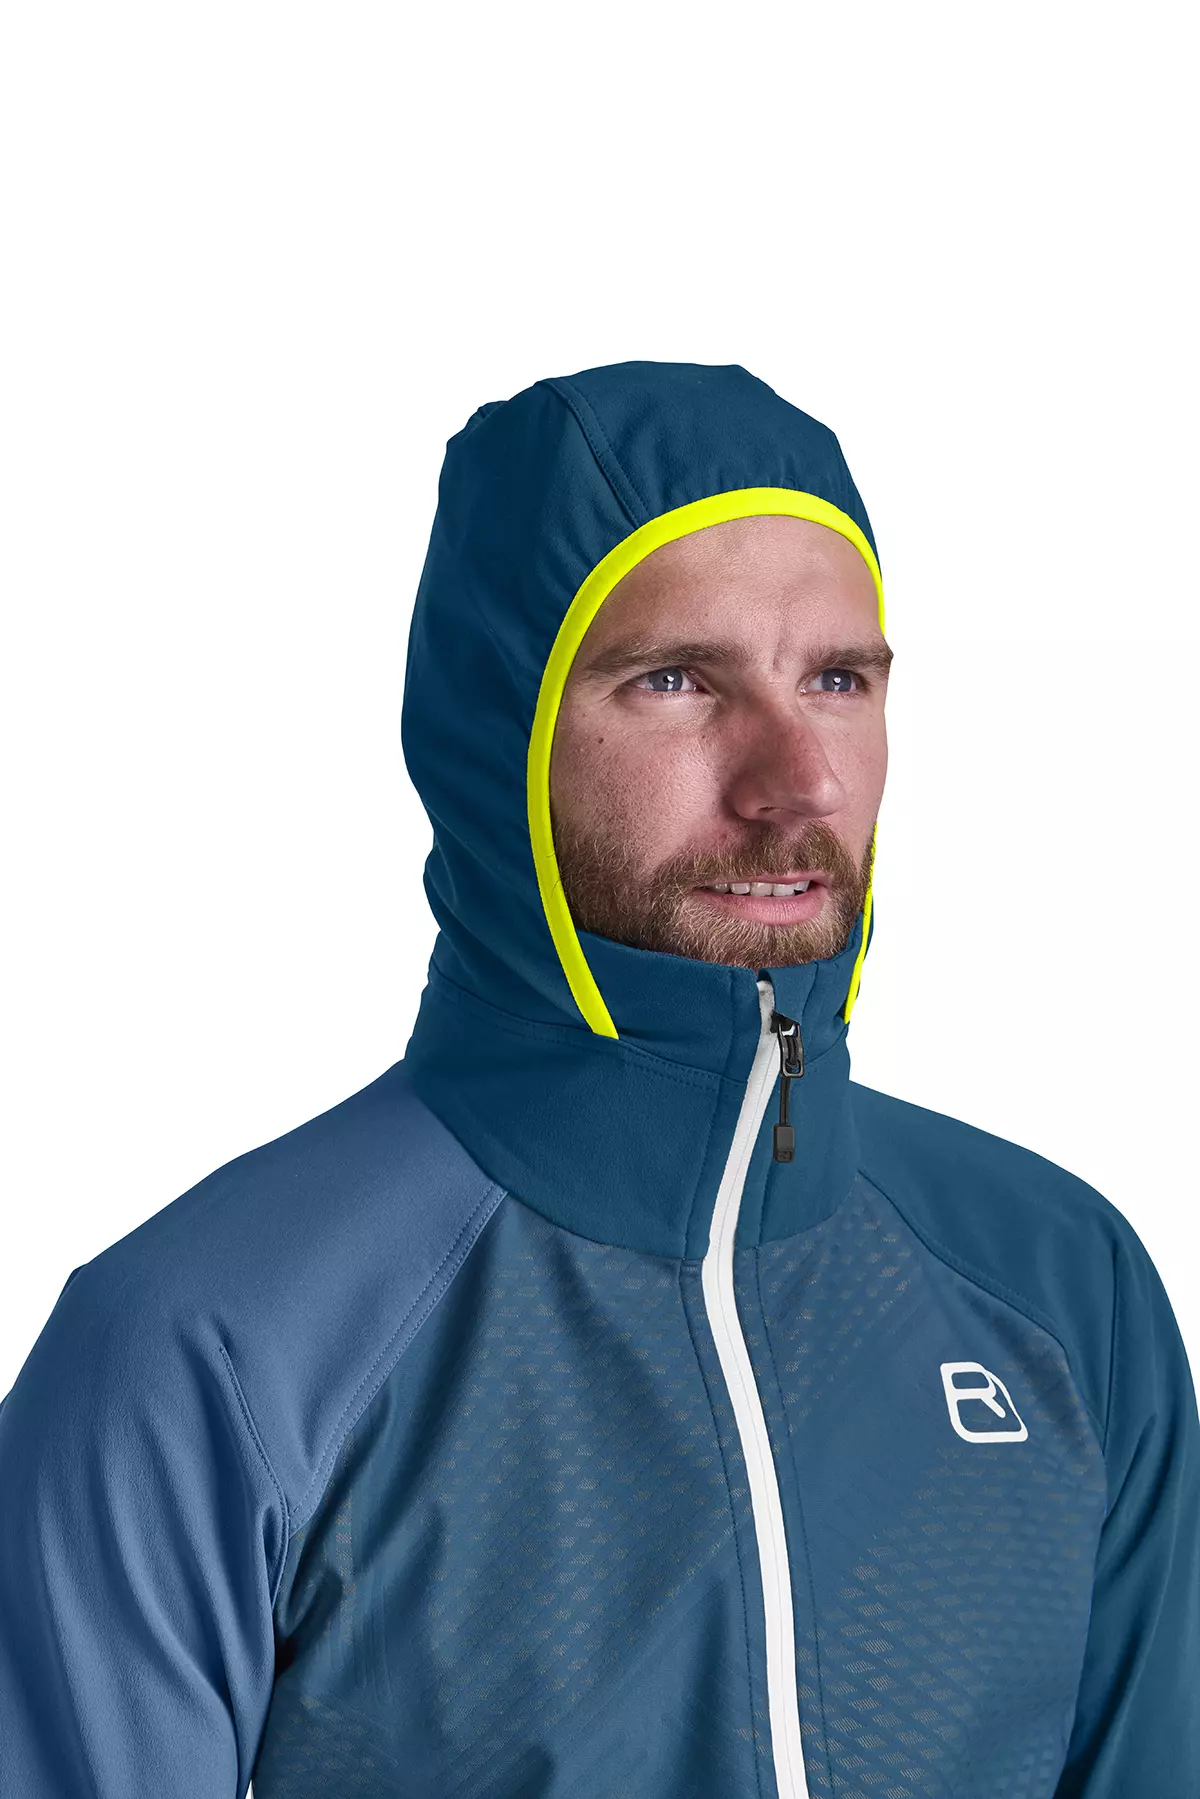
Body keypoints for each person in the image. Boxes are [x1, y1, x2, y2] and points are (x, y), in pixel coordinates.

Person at [0, 360, 1196, 1799]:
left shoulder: (1062, 1286)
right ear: (497, 734)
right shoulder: (216, 1343)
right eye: (677, 681)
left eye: (837, 679)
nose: (797, 779)